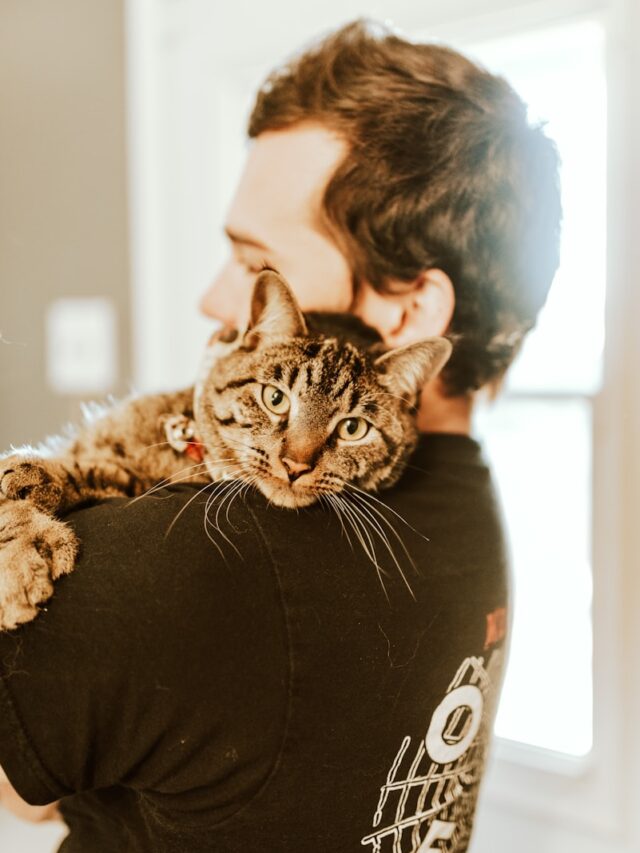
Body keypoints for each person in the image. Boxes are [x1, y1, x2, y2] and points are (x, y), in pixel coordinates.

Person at [0, 19, 560, 853]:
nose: (215, 300)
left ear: (409, 315)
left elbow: (26, 796)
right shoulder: (468, 505)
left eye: (255, 259)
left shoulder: (179, 568)